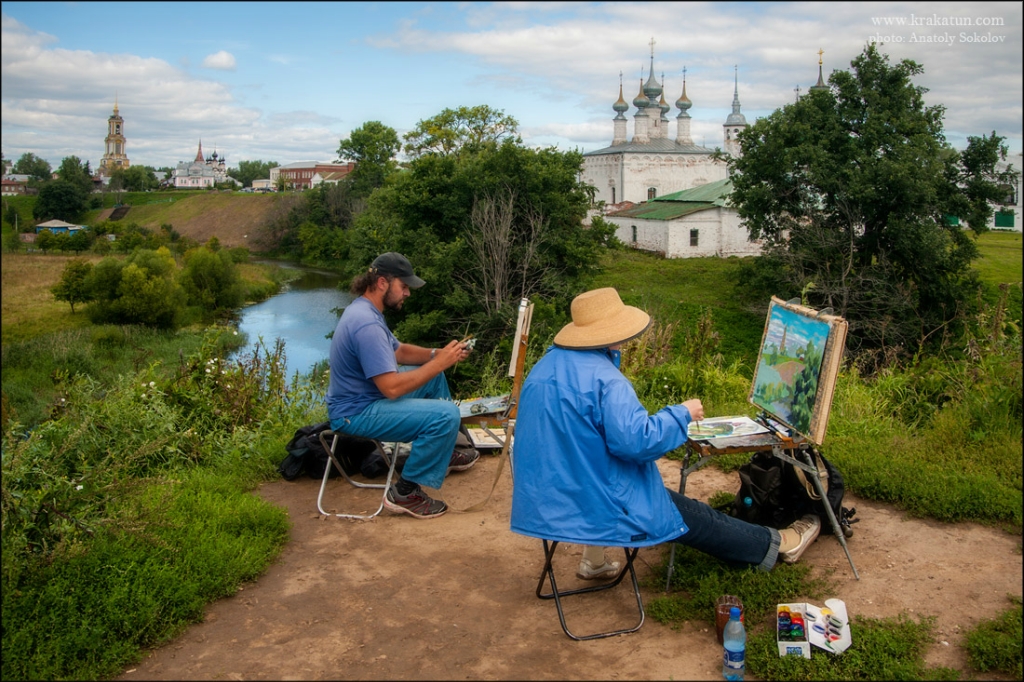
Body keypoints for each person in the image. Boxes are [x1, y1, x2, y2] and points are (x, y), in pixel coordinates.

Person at [510, 287, 820, 574]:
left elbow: (580, 443)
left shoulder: (545, 367)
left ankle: (594, 560)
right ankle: (773, 544)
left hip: (547, 497)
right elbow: (637, 442)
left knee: (600, 469)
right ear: (612, 334)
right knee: (690, 515)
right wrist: (682, 414)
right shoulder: (606, 380)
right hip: (591, 501)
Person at [327, 252, 479, 519]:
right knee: (447, 415)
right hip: (355, 413)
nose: (407, 293)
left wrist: (437, 354)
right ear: (383, 282)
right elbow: (392, 388)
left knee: (434, 376)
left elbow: (399, 352)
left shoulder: (366, 311)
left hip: (367, 401)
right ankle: (406, 492)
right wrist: (441, 362)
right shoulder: (366, 324)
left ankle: (444, 451)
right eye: (404, 286)